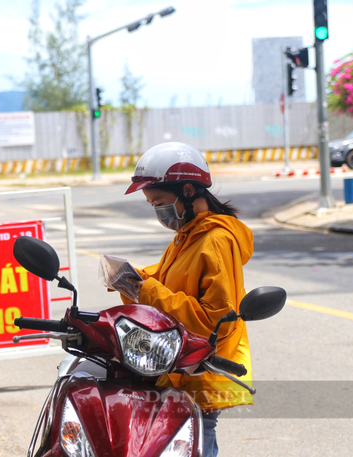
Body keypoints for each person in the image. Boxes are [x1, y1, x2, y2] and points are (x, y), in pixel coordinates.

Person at [120, 142, 253, 457]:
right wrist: (132, 278)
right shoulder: (188, 236)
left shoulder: (216, 241)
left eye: (160, 202)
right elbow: (172, 277)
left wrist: (146, 290)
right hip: (177, 363)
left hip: (202, 370)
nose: (158, 211)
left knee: (198, 440)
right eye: (152, 204)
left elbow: (214, 321)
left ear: (189, 191)